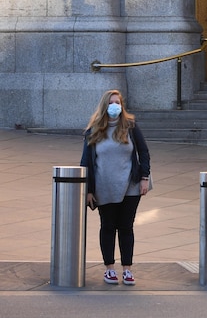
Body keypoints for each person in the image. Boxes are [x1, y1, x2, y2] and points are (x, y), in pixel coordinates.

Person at [80, 89, 150, 286]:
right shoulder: (93, 131)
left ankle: (127, 269)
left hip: (130, 185)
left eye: (118, 102)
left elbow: (143, 152)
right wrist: (88, 190)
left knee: (126, 227)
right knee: (108, 226)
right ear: (105, 105)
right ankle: (109, 269)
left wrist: (144, 177)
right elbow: (86, 161)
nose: (115, 106)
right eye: (111, 102)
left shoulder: (130, 126)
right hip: (104, 186)